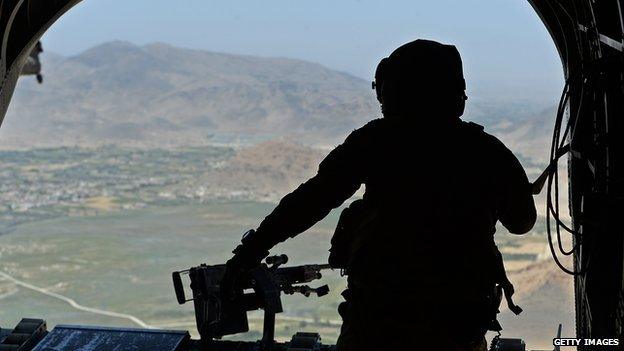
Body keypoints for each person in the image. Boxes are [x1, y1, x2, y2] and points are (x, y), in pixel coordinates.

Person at [222, 39, 537, 351]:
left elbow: (311, 200)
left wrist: (251, 250)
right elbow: (522, 221)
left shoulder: (376, 142)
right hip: (455, 325)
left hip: (378, 320)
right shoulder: (486, 151)